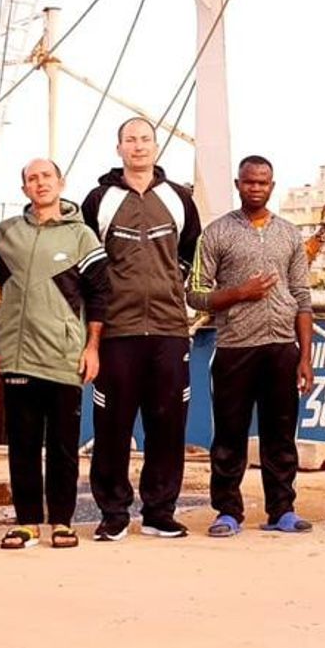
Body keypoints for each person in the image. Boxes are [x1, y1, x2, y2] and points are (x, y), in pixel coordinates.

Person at [81, 117, 201, 541]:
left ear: (156, 147)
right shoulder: (99, 199)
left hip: (169, 329)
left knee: (167, 425)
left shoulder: (179, 198)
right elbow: (88, 261)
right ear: (119, 148)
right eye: (129, 140)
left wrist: (170, 286)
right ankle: (113, 513)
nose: (138, 147)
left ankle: (158, 511)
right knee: (112, 427)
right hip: (117, 331)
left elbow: (190, 253)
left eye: (145, 140)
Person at [187, 156, 315, 536]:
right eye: (249, 182)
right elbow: (195, 294)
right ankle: (227, 511)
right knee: (229, 435)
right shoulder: (216, 233)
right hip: (235, 348)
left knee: (280, 435)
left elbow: (303, 297)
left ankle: (282, 511)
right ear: (238, 184)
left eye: (262, 183)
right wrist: (241, 292)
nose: (255, 188)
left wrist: (304, 356)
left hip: (281, 348)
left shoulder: (290, 234)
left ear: (272, 186)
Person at [0, 158, 107, 551]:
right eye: (31, 178)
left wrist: (92, 347)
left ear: (61, 183)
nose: (40, 183)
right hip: (18, 356)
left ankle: (62, 520)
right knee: (22, 445)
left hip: (64, 356)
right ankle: (27, 523)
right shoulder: (3, 234)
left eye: (46, 176)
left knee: (62, 446)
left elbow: (99, 296)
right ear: (24, 189)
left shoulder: (82, 237)